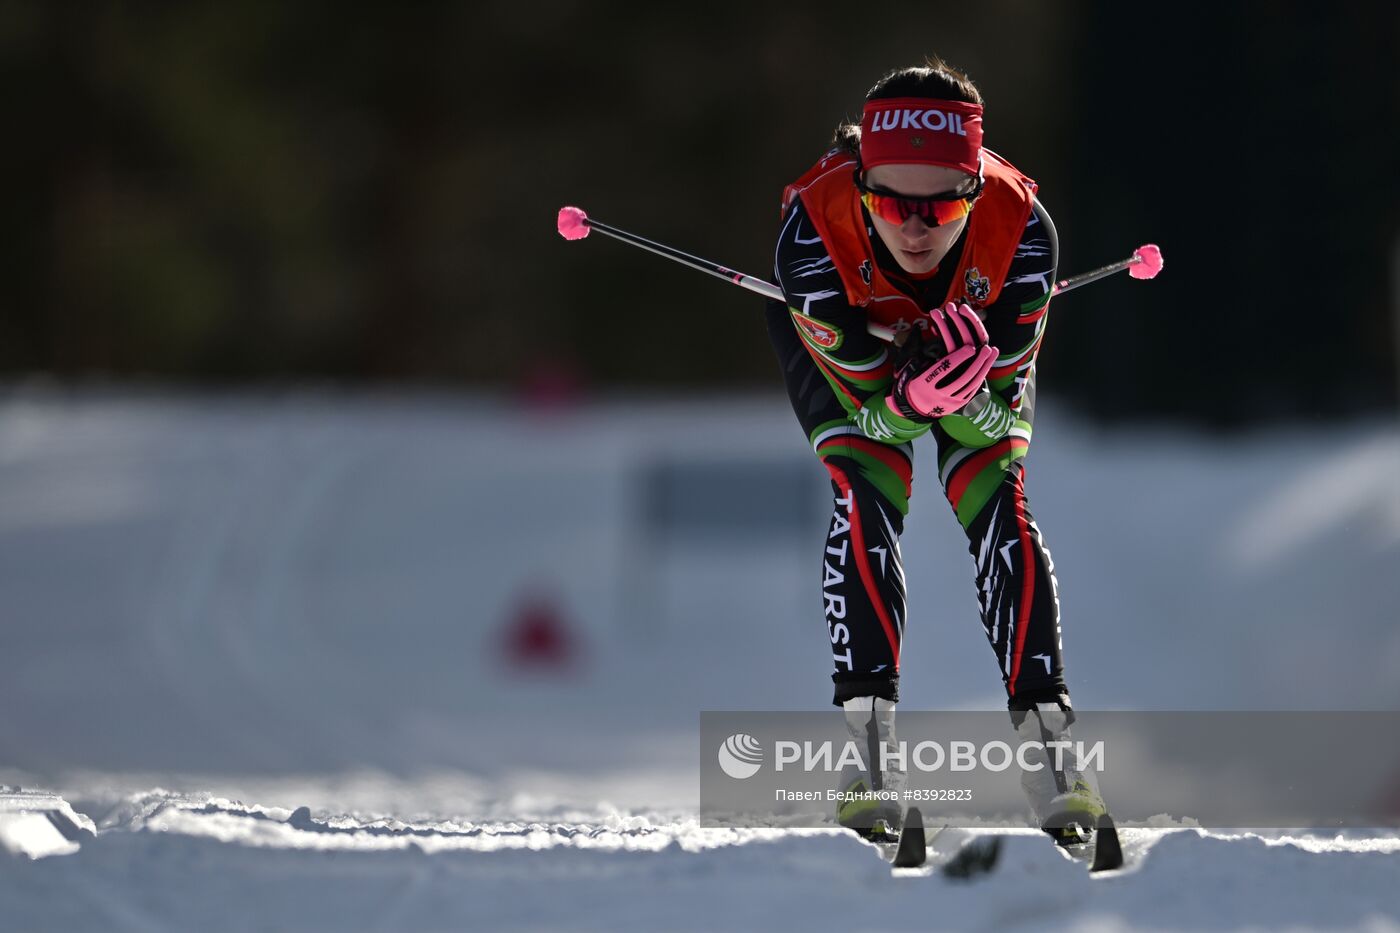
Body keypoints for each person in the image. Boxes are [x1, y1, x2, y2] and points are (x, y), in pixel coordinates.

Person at [766, 58, 1104, 844]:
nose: (915, 227)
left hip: (975, 366)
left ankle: (1052, 748)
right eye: (889, 202)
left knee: (997, 498)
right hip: (854, 363)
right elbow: (872, 409)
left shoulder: (1023, 234)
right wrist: (910, 398)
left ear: (976, 192)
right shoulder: (811, 235)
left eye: (943, 204)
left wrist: (963, 389)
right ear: (859, 187)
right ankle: (870, 756)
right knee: (867, 489)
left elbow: (990, 418)